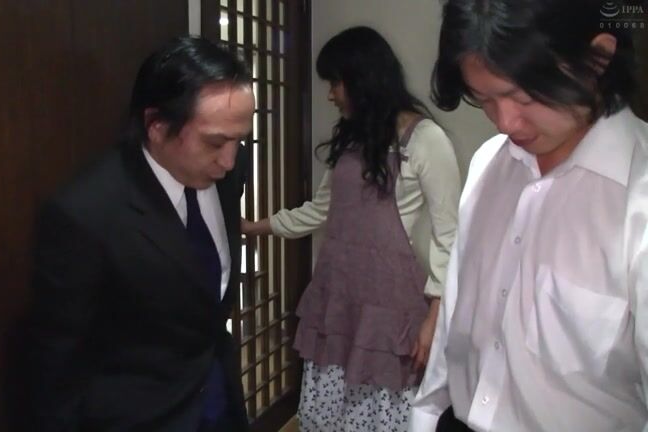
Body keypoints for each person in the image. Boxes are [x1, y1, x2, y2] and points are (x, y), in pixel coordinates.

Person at [409, 1, 648, 431]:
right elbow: (455, 328)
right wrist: (424, 417)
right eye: (484, 99)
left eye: (525, 97)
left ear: (598, 58)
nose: (504, 122)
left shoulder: (637, 196)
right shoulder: (489, 164)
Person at [26, 36, 254, 432]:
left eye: (240, 139)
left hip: (220, 400)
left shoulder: (228, 170)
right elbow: (58, 362)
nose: (230, 159)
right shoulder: (86, 212)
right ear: (157, 125)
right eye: (216, 142)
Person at [243, 26, 461, 431]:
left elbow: (450, 238)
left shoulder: (426, 140)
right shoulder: (352, 138)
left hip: (389, 310)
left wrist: (434, 319)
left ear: (363, 79)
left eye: (335, 82)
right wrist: (254, 227)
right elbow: (320, 211)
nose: (331, 94)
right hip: (339, 297)